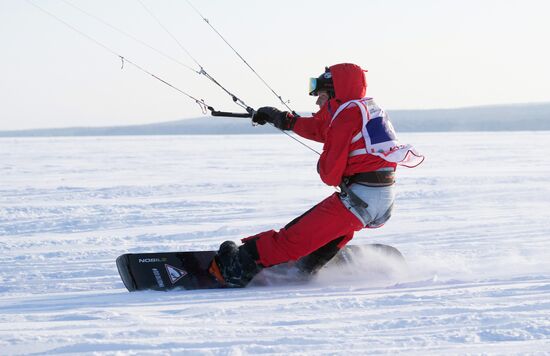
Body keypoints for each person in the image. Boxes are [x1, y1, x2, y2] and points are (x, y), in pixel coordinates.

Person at [208, 63, 424, 287]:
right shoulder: (363, 109)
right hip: (378, 199)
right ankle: (305, 268)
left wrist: (322, 165)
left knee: (290, 240)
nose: (317, 102)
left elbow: (330, 174)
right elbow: (321, 128)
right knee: (329, 232)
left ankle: (234, 269)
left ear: (334, 93)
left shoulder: (346, 115)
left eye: (320, 95)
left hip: (359, 199)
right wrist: (283, 119)